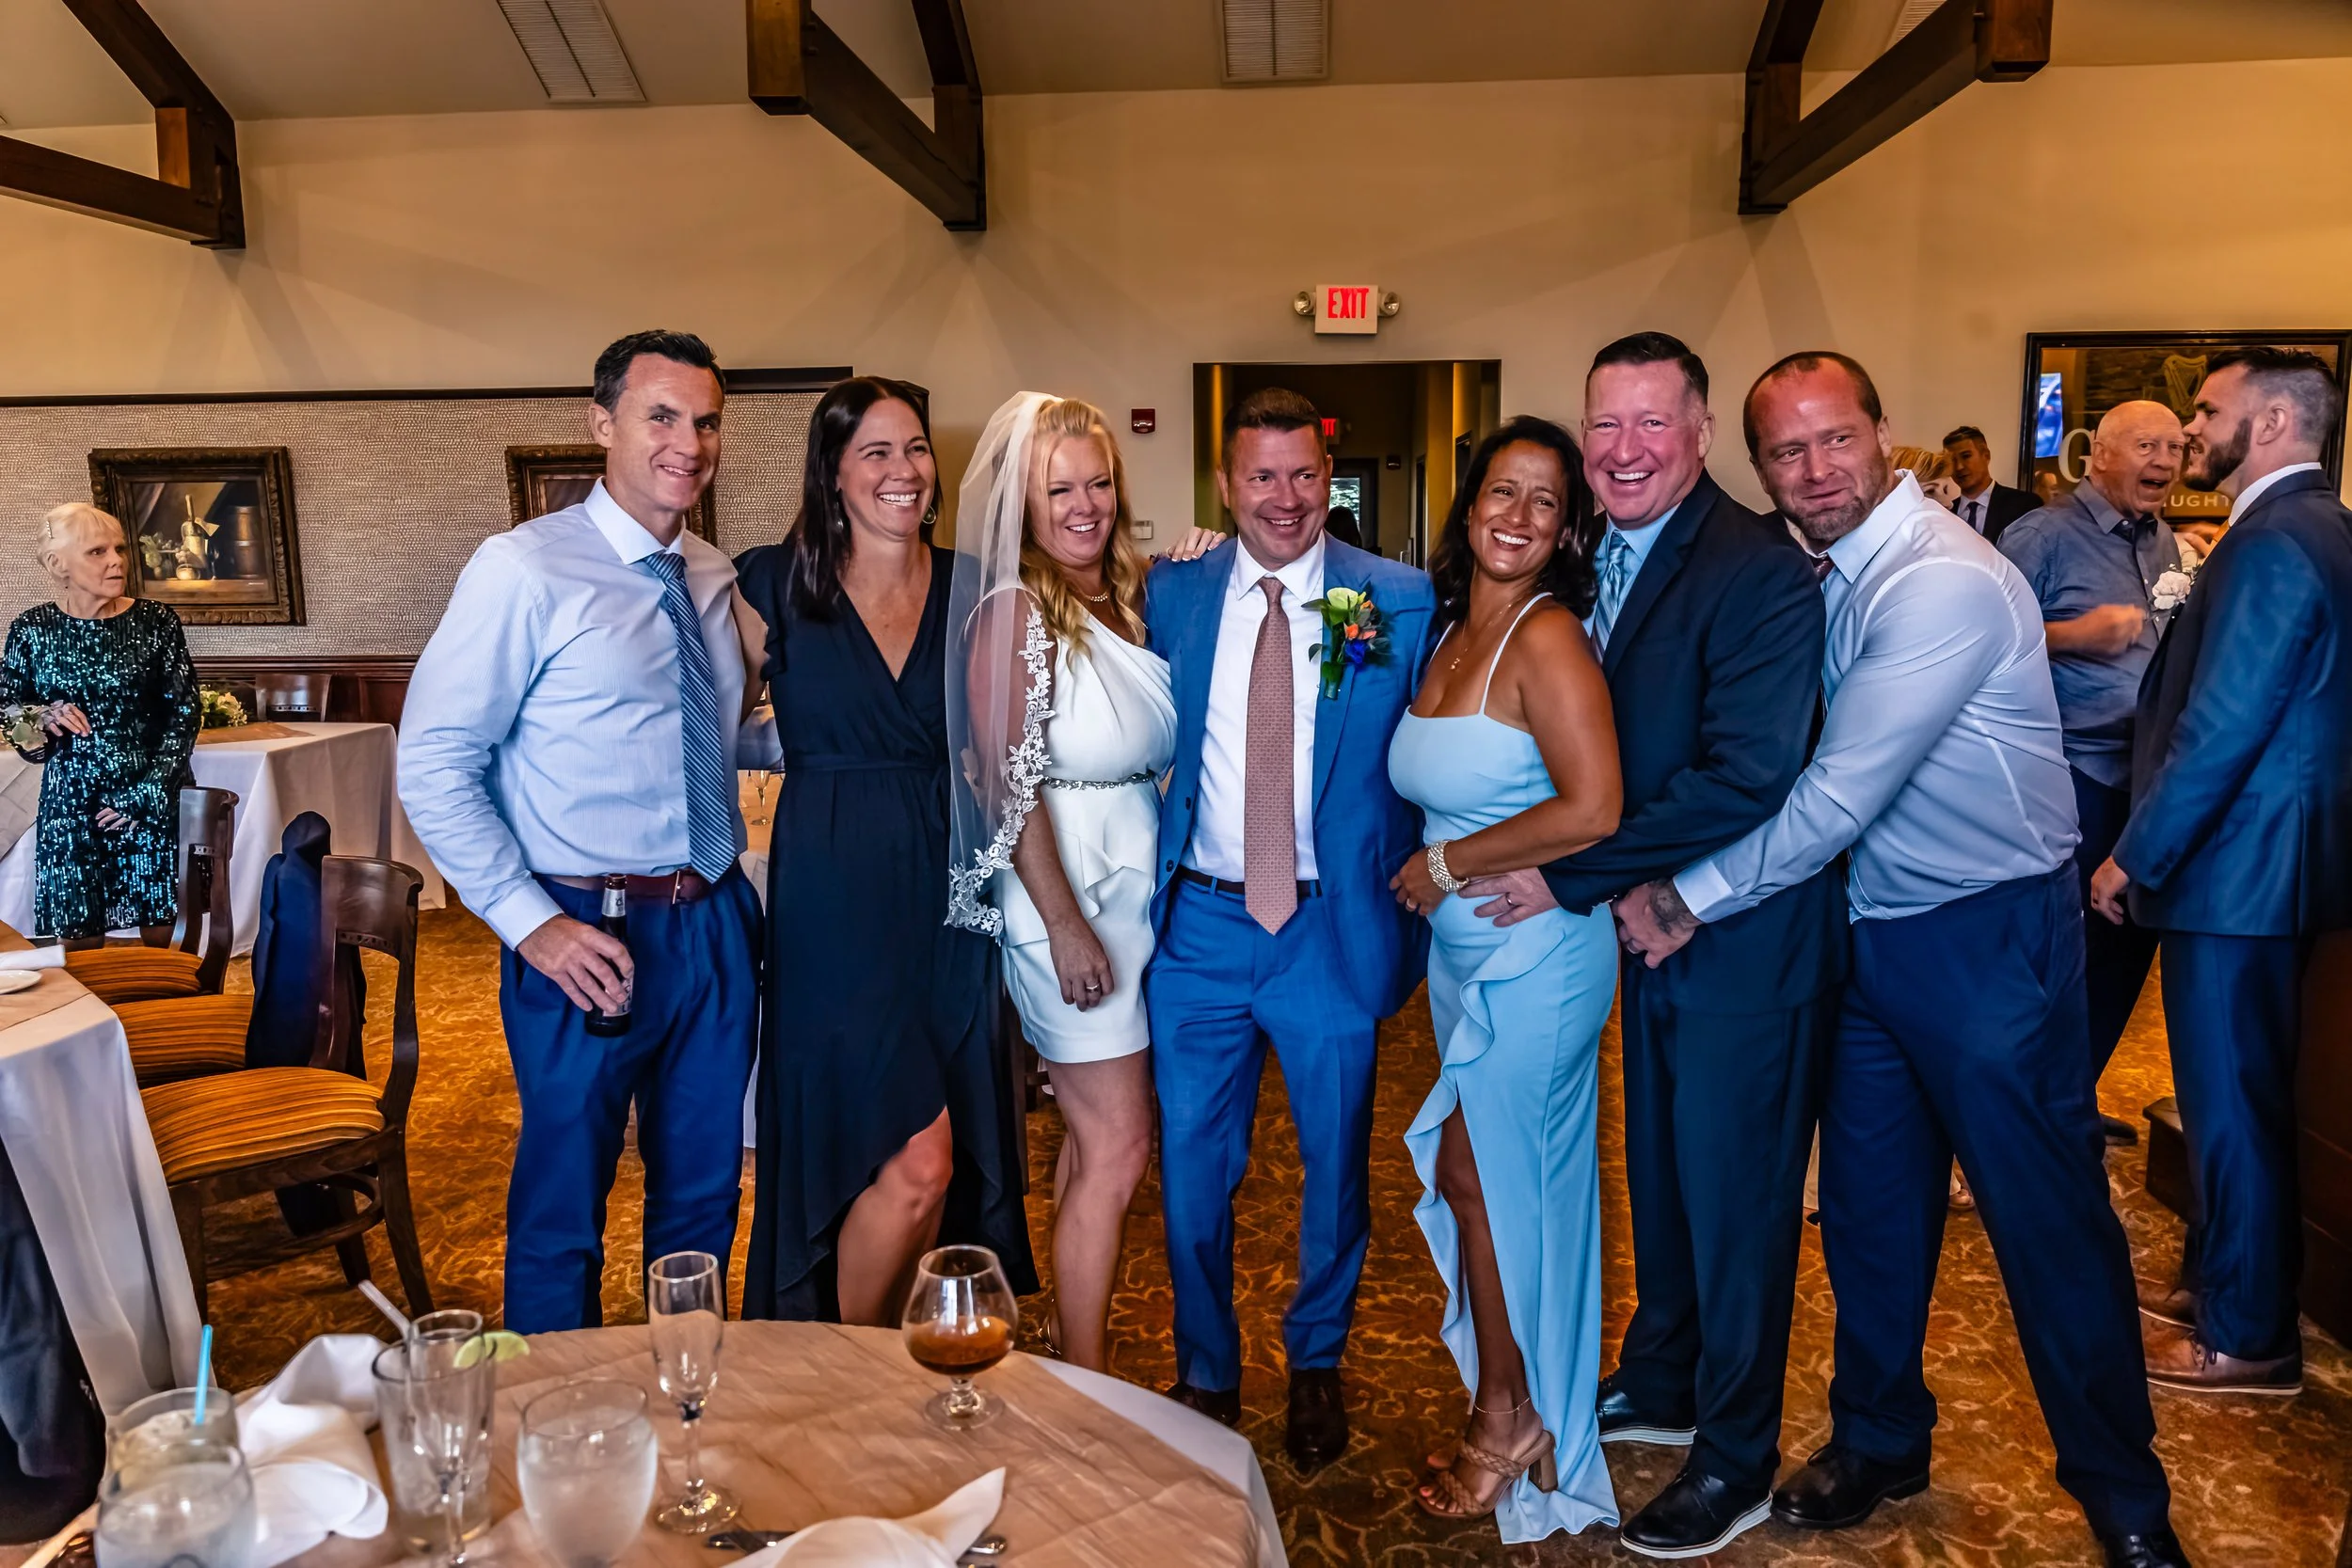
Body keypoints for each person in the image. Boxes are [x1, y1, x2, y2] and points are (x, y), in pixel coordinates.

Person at [1617, 353, 2187, 1568]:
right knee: (1873, 1215)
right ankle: (1881, 1438)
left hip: (1986, 937)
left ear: (1885, 437)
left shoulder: (1941, 580)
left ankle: (2126, 1496)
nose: (1814, 470)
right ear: (1757, 461)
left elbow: (1834, 794)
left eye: (1835, 440)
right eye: (1786, 451)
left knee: (2046, 1220)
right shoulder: (1806, 572)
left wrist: (1687, 895)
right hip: (1868, 936)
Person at [1460, 333, 1843, 1558]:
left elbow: (1751, 771)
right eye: (1603, 427)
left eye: (1650, 425)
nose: (1622, 451)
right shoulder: (1589, 563)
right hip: (1643, 936)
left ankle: (1732, 1455)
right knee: (1667, 1178)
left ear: (1701, 430)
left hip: (1741, 942)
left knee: (1738, 1203)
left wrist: (1587, 876)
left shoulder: (1757, 569)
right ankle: (1666, 1373)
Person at [399, 330, 763, 1334]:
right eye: (661, 415)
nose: (688, 442)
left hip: (714, 918)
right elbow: (433, 762)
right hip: (581, 927)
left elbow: (713, 739)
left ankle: (687, 1409)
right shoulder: (522, 568)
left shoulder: (708, 571)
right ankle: (555, 1447)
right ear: (601, 422)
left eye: (705, 420)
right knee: (565, 1202)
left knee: (703, 1195)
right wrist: (530, 924)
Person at [1145, 386, 1436, 1470]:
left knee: (1335, 1165)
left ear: (1330, 476)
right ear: (1223, 486)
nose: (1284, 497)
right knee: (1192, 1166)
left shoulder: (1393, 598)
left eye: (1303, 474)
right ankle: (1206, 1367)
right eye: (1259, 476)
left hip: (1328, 926)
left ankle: (1316, 1357)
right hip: (1202, 926)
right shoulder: (1171, 591)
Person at [736, 376, 1037, 1324]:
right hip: (832, 897)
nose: (903, 470)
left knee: (937, 1159)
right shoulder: (766, 584)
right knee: (913, 1153)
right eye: (875, 451)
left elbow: (1016, 741)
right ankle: (849, 1362)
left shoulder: (974, 583)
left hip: (952, 894)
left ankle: (892, 1357)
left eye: (914, 449)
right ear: (831, 470)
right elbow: (691, 728)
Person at [2092, 348, 2352, 1395]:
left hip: (2238, 869)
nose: (2192, 430)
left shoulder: (2279, 540)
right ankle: (2225, 1286)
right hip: (2262, 867)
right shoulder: (2311, 528)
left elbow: (2223, 723)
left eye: (2208, 409)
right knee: (2230, 1096)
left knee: (2231, 1101)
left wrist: (2133, 851)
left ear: (2280, 420)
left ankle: (2245, 1336)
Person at [1381, 416, 1620, 1539]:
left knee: (1488, 1174)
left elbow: (1593, 808)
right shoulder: (1442, 629)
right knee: (1490, 1183)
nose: (1516, 516)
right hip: (1462, 953)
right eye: (1500, 492)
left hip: (1542, 953)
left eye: (1542, 500)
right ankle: (1516, 1399)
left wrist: (1444, 862)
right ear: (1466, 503)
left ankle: (1509, 1416)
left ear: (1567, 525)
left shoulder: (1546, 636)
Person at [944, 392, 1173, 1372]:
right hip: (1064, 899)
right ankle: (1086, 1379)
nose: (1084, 505)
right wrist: (1068, 924)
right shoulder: (1015, 611)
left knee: (1092, 1137)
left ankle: (1066, 1340)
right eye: (1057, 489)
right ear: (1019, 504)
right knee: (1119, 1146)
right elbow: (1006, 784)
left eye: (1098, 481)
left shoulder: (1123, 595)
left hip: (1131, 882)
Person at [1999, 401, 2186, 1146]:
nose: (2166, 461)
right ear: (2097, 455)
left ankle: (2068, 1103)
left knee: (2121, 955)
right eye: (2148, 444)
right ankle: (2016, 1123)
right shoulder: (2041, 534)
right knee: (2056, 963)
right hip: (2067, 778)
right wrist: (2075, 634)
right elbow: (1980, 635)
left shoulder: (2168, 541)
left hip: (2141, 782)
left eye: (2176, 446)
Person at [2, 503, 198, 945]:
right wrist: (41, 718)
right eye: (97, 551)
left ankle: (165, 1013)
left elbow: (184, 715)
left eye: (119, 548)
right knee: (79, 940)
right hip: (70, 804)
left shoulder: (156, 622)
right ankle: (97, 1015)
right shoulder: (32, 629)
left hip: (149, 796)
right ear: (58, 565)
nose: (116, 560)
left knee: (163, 934)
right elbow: (11, 713)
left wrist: (143, 796)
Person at [1944, 425, 2038, 544]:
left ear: (1986, 456)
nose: (1959, 467)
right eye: (1952, 460)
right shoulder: (1944, 513)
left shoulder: (2024, 505)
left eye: (1966, 456)